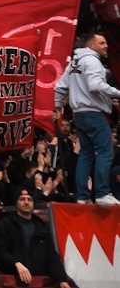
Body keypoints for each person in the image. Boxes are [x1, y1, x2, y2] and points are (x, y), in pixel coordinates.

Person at [55, 31, 120, 204]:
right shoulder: (93, 61)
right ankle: (102, 193)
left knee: (86, 154)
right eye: (102, 42)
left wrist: (57, 107)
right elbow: (95, 85)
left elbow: (60, 87)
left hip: (79, 115)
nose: (106, 45)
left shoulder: (74, 63)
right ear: (90, 45)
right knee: (106, 152)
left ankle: (83, 197)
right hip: (93, 113)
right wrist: (117, 93)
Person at [0, 189, 76, 286]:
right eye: (22, 199)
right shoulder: (6, 224)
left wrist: (61, 279)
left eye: (30, 200)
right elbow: (0, 250)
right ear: (16, 203)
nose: (26, 202)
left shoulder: (41, 226)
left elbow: (52, 256)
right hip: (13, 281)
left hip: (37, 282)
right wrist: (15, 263)